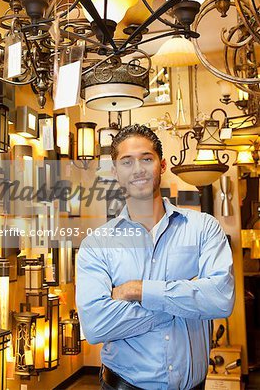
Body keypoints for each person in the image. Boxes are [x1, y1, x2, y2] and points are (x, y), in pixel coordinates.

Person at [76, 124, 235, 390]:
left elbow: (220, 300)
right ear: (115, 172)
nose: (137, 169)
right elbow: (95, 326)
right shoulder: (96, 245)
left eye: (146, 159)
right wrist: (184, 304)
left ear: (161, 165)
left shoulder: (203, 227)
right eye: (126, 162)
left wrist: (137, 290)